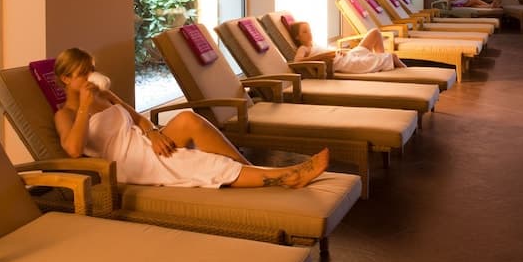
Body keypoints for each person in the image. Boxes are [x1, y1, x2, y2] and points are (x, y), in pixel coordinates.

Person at [53, 47, 328, 188]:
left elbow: (137, 119)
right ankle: (287, 177)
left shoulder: (104, 95)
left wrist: (153, 133)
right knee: (203, 163)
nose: (90, 77)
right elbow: (74, 150)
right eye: (82, 73)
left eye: (91, 70)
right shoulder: (64, 115)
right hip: (129, 162)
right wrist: (83, 107)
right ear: (66, 79)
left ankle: (252, 170)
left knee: (188, 119)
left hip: (144, 143)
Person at [289, 22, 406, 73]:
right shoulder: (303, 48)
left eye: (309, 30)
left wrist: (343, 51)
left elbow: (332, 52)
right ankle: (406, 74)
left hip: (349, 55)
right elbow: (297, 61)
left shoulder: (314, 44)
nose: (309, 33)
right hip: (347, 63)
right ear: (297, 37)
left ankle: (381, 63)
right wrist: (325, 55)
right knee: (393, 57)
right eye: (305, 32)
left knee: (375, 33)